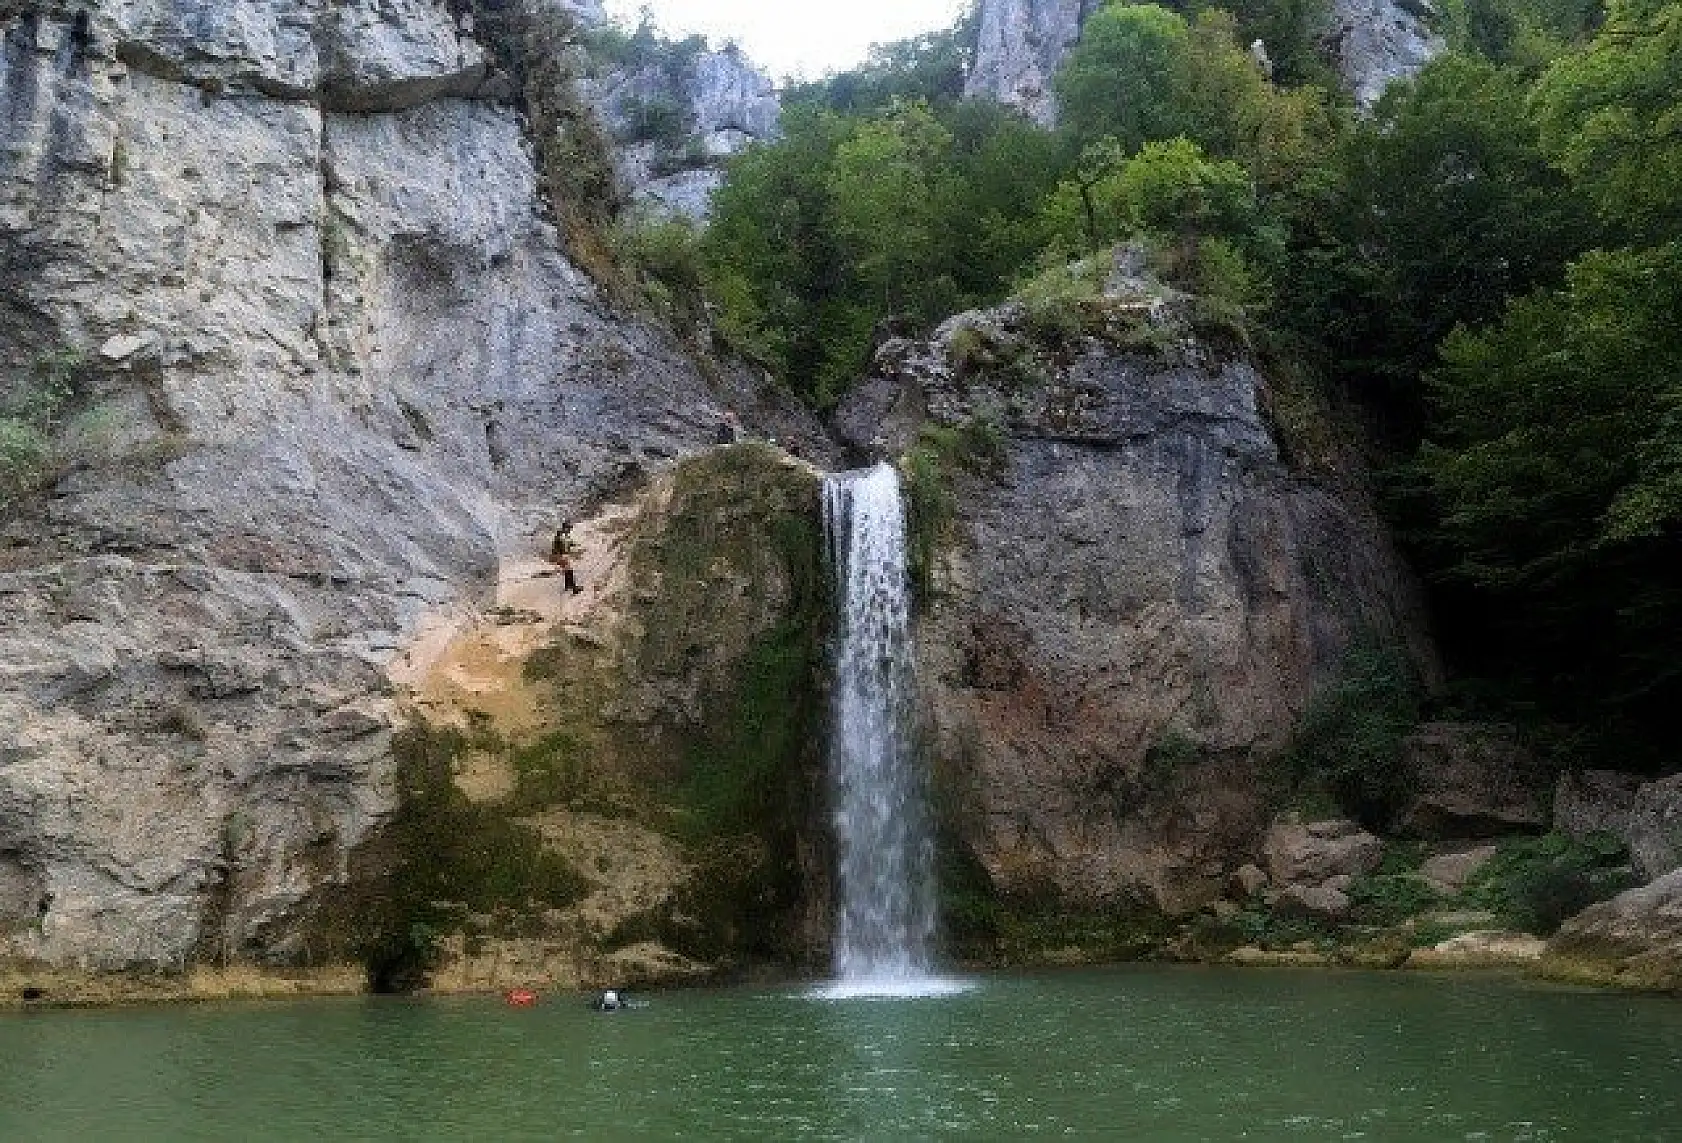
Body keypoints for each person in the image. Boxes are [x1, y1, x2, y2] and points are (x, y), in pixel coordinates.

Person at [550, 523, 583, 595]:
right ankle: (574, 589)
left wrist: (574, 544)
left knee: (567, 570)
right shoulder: (561, 536)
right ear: (565, 528)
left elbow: (567, 543)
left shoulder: (562, 535)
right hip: (561, 555)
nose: (570, 530)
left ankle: (568, 586)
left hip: (561, 555)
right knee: (569, 570)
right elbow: (564, 545)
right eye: (569, 528)